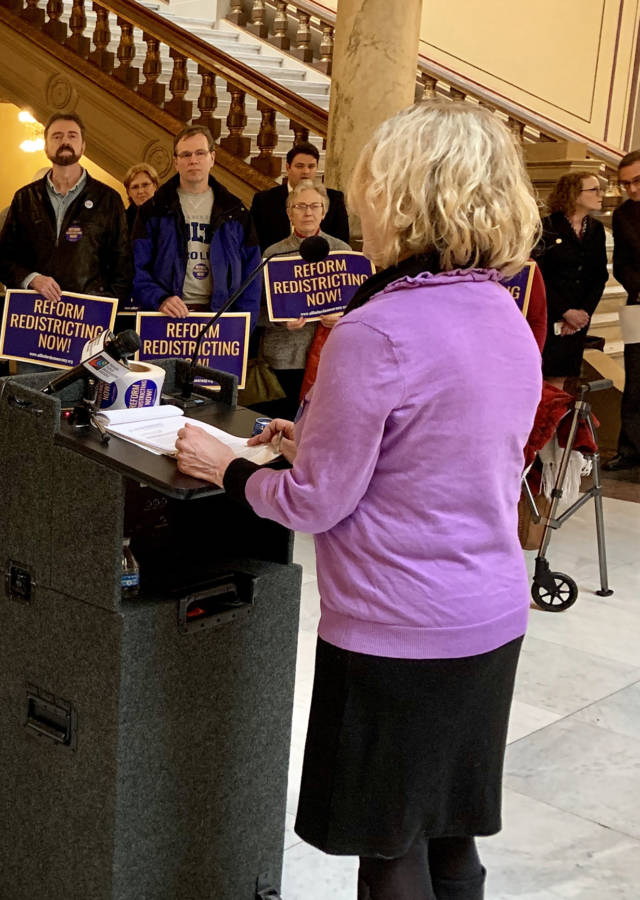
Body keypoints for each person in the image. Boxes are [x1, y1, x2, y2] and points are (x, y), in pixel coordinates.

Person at [175, 101, 543, 900]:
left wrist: (225, 468)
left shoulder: (374, 331)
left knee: (390, 851)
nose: (355, 209)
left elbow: (314, 505)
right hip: (489, 616)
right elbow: (438, 454)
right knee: (450, 835)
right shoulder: (505, 315)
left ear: (404, 200)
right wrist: (313, 437)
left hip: (398, 627)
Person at [0, 114, 132, 324]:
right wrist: (32, 279)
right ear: (46, 147)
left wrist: (104, 310)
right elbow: (3, 260)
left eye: (72, 136)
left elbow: (123, 266)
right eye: (57, 136)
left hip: (86, 320)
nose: (65, 141)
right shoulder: (25, 198)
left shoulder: (107, 199)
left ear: (83, 146)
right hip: (34, 317)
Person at [132, 125, 261, 324]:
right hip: (165, 315)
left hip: (220, 318)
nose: (193, 160)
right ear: (176, 162)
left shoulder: (236, 211)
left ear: (212, 158)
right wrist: (159, 299)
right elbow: (135, 267)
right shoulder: (153, 210)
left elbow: (252, 275)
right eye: (185, 155)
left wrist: (244, 325)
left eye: (200, 153)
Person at [253, 180, 350, 420]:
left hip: (328, 357)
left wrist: (341, 319)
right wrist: (280, 321)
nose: (308, 212)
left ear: (324, 212)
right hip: (282, 358)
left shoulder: (343, 251)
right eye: (300, 206)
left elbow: (358, 309)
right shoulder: (272, 254)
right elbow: (256, 310)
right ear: (289, 213)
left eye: (315, 206)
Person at [534, 172, 607, 391]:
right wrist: (565, 312)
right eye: (593, 189)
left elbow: (599, 276)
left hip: (577, 320)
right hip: (550, 313)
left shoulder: (596, 229)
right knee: (544, 377)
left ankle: (555, 424)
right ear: (574, 194)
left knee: (563, 378)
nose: (600, 194)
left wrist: (582, 314)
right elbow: (539, 276)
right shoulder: (546, 227)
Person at [250, 141, 351, 250]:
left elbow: (341, 242)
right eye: (299, 166)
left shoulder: (334, 198)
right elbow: (254, 243)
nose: (306, 171)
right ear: (288, 168)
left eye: (311, 166)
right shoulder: (264, 200)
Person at [606, 151, 640, 470]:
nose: (631, 190)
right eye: (625, 184)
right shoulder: (622, 215)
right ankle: (629, 450)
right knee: (635, 380)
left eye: (637, 181)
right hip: (637, 304)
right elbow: (621, 265)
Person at [122, 162, 160, 234]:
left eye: (145, 185)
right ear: (128, 192)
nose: (140, 191)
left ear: (155, 186)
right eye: (135, 187)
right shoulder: (121, 222)